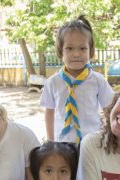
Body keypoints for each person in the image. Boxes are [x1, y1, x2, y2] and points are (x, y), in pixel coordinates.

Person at [40, 15, 114, 144]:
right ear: (60, 51)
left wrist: (110, 135)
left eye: (82, 48)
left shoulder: (98, 81)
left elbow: (110, 109)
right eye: (69, 48)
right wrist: (51, 142)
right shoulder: (52, 82)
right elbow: (49, 113)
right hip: (62, 144)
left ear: (90, 51)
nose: (76, 53)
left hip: (92, 144)